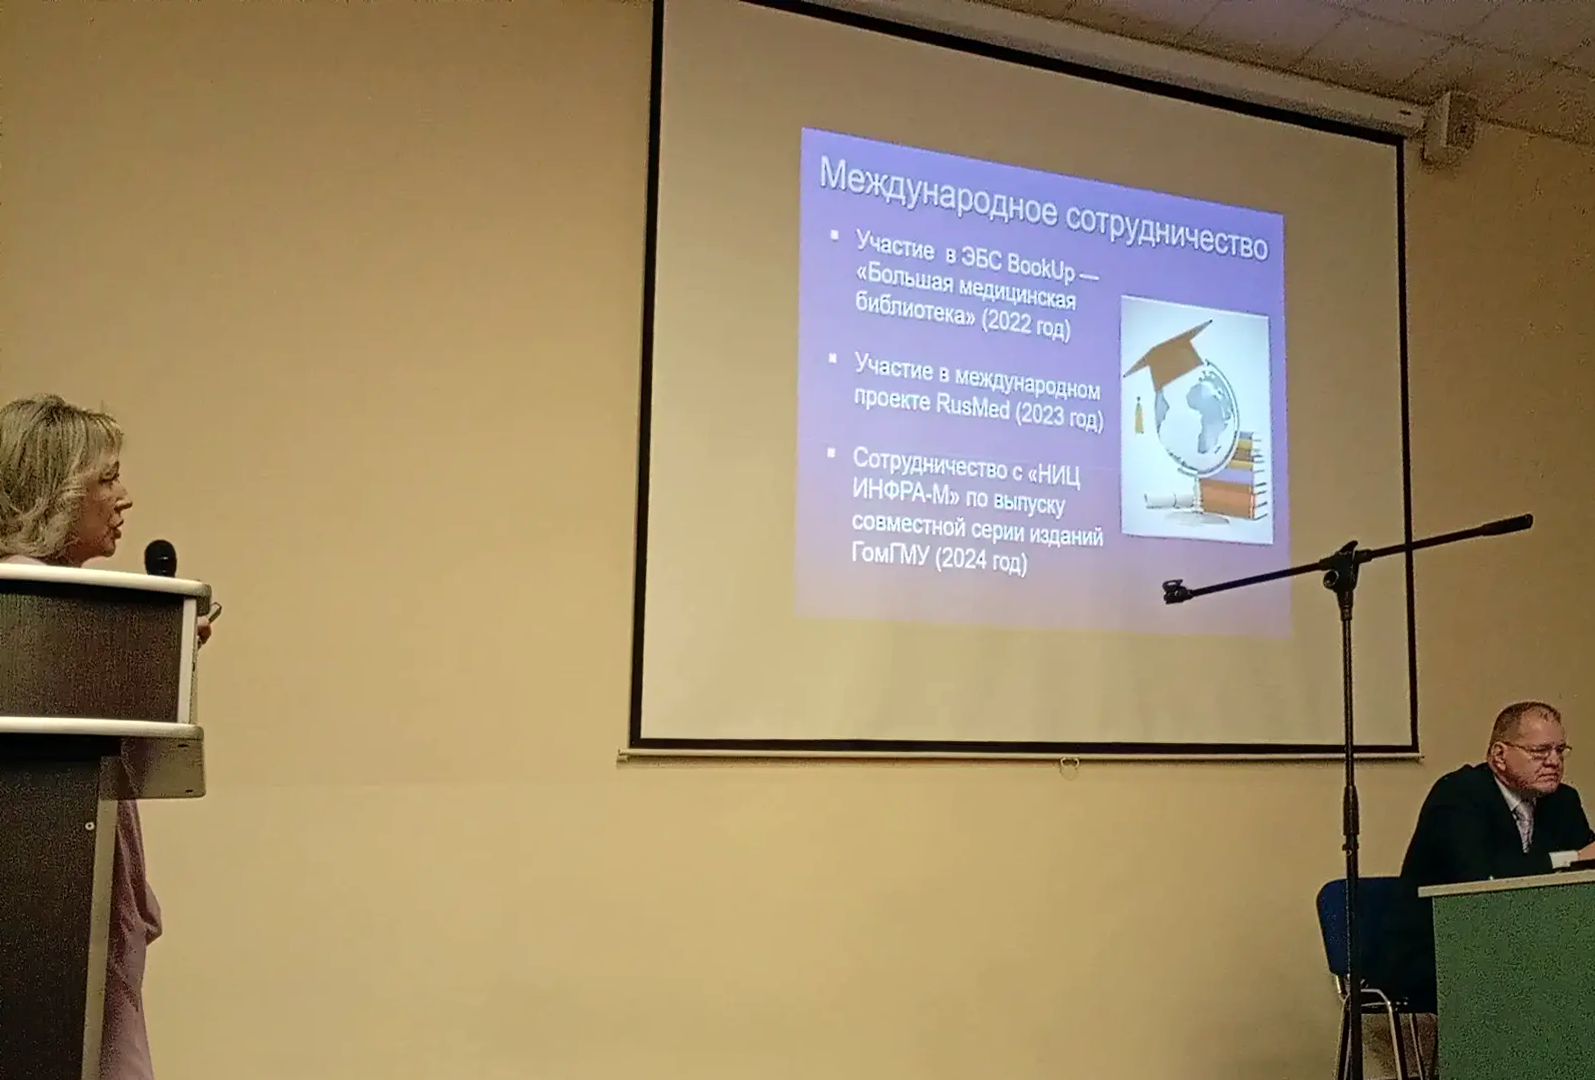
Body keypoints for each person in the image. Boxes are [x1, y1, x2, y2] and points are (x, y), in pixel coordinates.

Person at [0, 393, 212, 1080]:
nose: (124, 498)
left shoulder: (66, 614)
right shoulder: (23, 607)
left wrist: (159, 655)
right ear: (55, 493)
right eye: (107, 478)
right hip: (47, 913)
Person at [1370, 701, 1595, 1013]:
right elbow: (1481, 878)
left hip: (1526, 944)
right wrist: (1570, 857)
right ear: (1499, 755)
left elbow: (1585, 873)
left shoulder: (1563, 800)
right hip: (1440, 949)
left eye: (1560, 750)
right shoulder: (1458, 795)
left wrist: (1580, 859)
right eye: (1540, 751)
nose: (1554, 762)